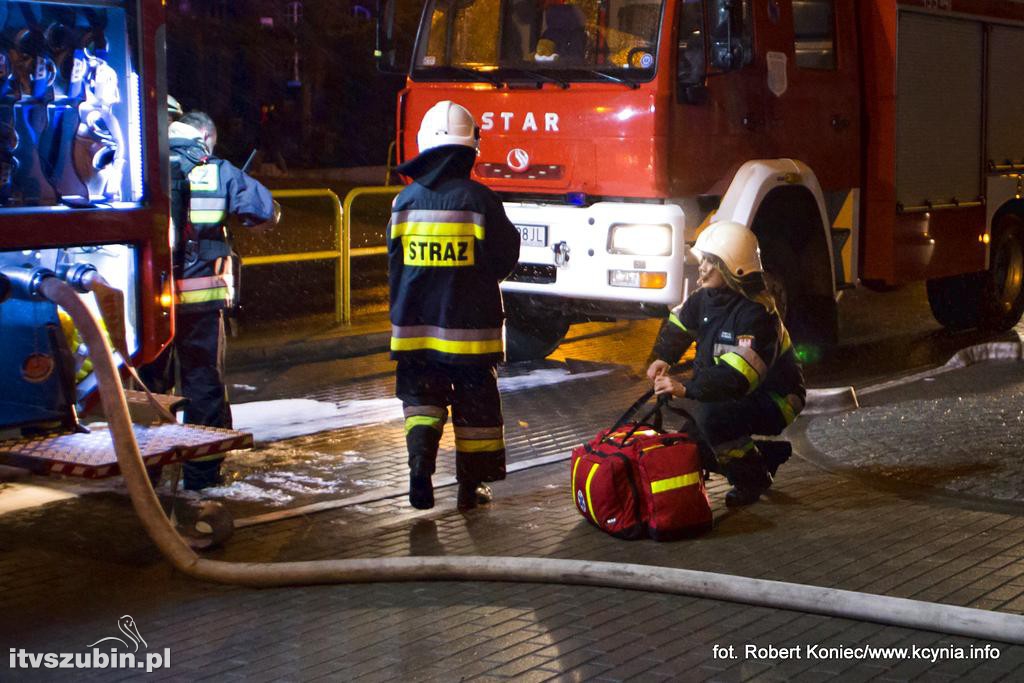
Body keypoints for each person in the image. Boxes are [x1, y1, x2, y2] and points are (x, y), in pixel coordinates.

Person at [388, 100, 521, 511]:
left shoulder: (404, 202)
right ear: (469, 151)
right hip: (470, 333)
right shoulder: (480, 200)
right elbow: (505, 258)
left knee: (422, 402)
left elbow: (393, 267)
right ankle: (470, 489)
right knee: (475, 409)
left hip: (415, 330)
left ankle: (418, 471)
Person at [139, 110, 279, 490]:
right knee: (202, 383)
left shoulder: (141, 165)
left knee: (150, 388)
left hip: (150, 304)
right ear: (204, 135)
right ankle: (201, 476)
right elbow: (265, 212)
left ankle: (147, 470)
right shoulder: (217, 169)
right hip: (200, 303)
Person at [646, 221, 805, 506]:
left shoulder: (758, 315)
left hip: (777, 399)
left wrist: (685, 387)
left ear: (735, 269)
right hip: (733, 395)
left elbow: (737, 378)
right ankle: (765, 457)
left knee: (713, 420)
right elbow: (679, 324)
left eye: (712, 262)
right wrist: (662, 358)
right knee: (690, 445)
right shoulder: (706, 298)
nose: (703, 268)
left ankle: (751, 478)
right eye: (703, 259)